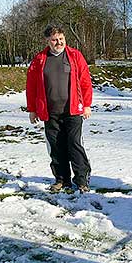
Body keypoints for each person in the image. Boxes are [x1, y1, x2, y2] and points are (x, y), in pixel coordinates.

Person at [26, 25, 93, 194]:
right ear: (47, 41)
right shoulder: (39, 60)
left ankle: (82, 180)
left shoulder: (75, 56)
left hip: (73, 110)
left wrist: (86, 105)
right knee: (56, 147)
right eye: (55, 40)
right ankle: (62, 180)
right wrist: (32, 109)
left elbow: (85, 81)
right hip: (50, 112)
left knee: (74, 144)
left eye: (61, 39)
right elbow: (31, 87)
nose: (59, 42)